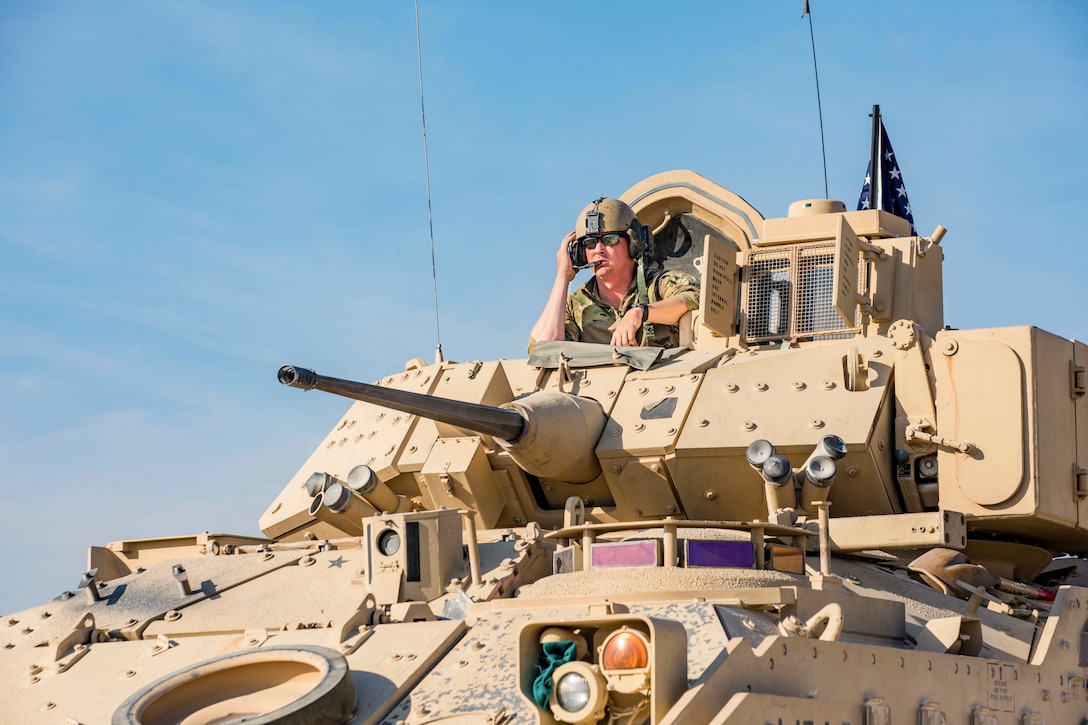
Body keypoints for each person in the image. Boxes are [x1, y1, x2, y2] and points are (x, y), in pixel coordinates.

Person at [529, 197, 699, 352]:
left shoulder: (658, 285)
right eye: (590, 243)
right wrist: (563, 277)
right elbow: (542, 350)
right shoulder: (575, 306)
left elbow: (695, 297)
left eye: (610, 240)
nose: (598, 250)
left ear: (634, 244)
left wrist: (640, 313)